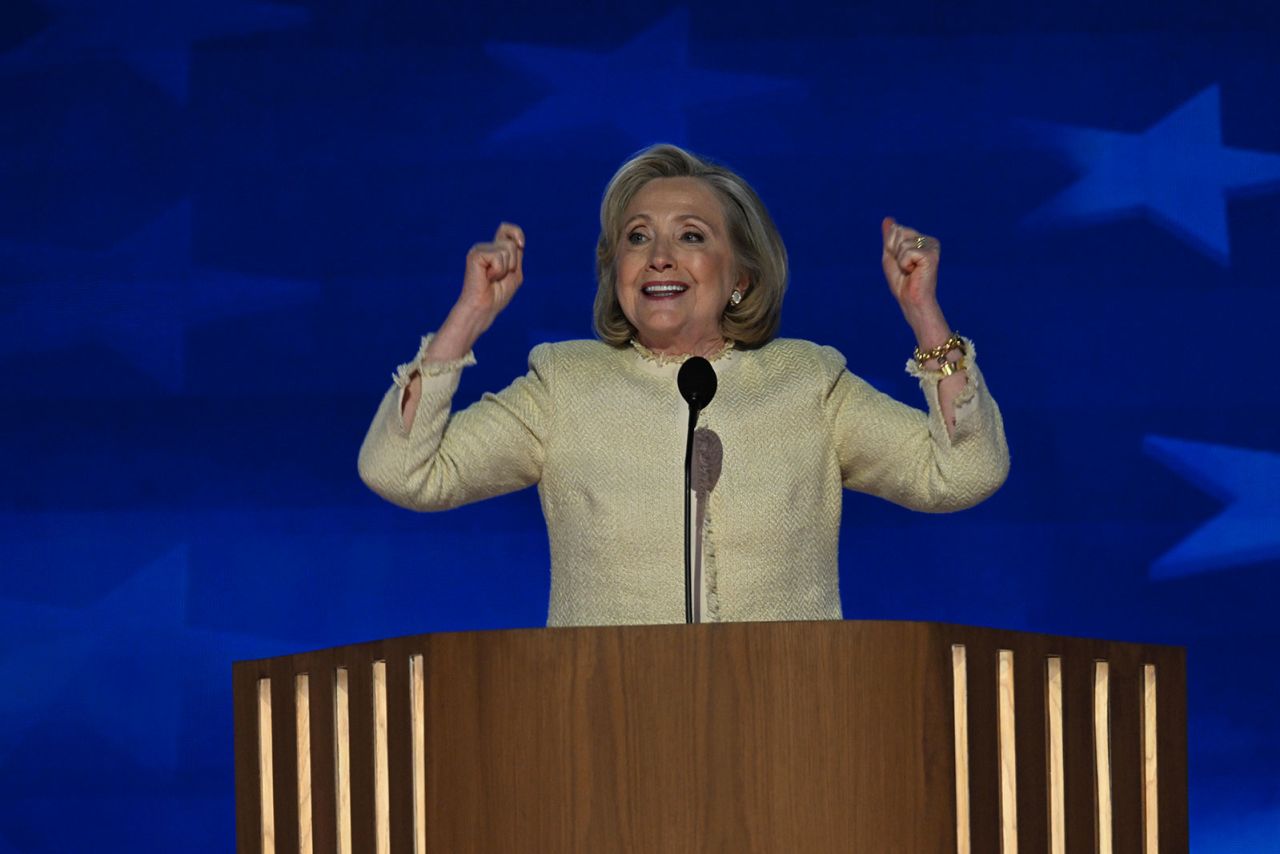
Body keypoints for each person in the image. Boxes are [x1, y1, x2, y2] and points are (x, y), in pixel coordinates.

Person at [358, 144, 1009, 627]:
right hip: (605, 742)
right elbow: (401, 469)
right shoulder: (565, 385)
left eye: (690, 236)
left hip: (789, 735)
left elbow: (963, 472)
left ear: (741, 278)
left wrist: (925, 313)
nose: (658, 255)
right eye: (637, 238)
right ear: (617, 271)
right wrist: (469, 317)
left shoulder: (809, 382)